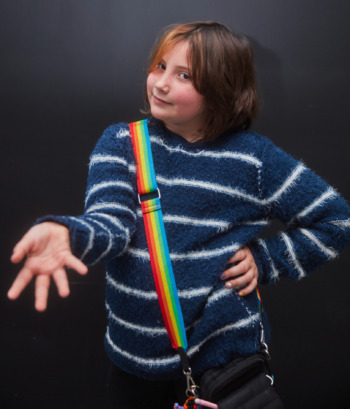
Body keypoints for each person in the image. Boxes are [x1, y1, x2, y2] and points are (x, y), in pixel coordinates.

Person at [7, 21, 350, 408]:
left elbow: (337, 221)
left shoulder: (254, 160)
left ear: (223, 89)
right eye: (159, 67)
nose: (161, 83)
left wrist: (265, 260)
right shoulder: (123, 143)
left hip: (222, 367)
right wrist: (69, 234)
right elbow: (112, 223)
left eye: (183, 75)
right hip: (133, 367)